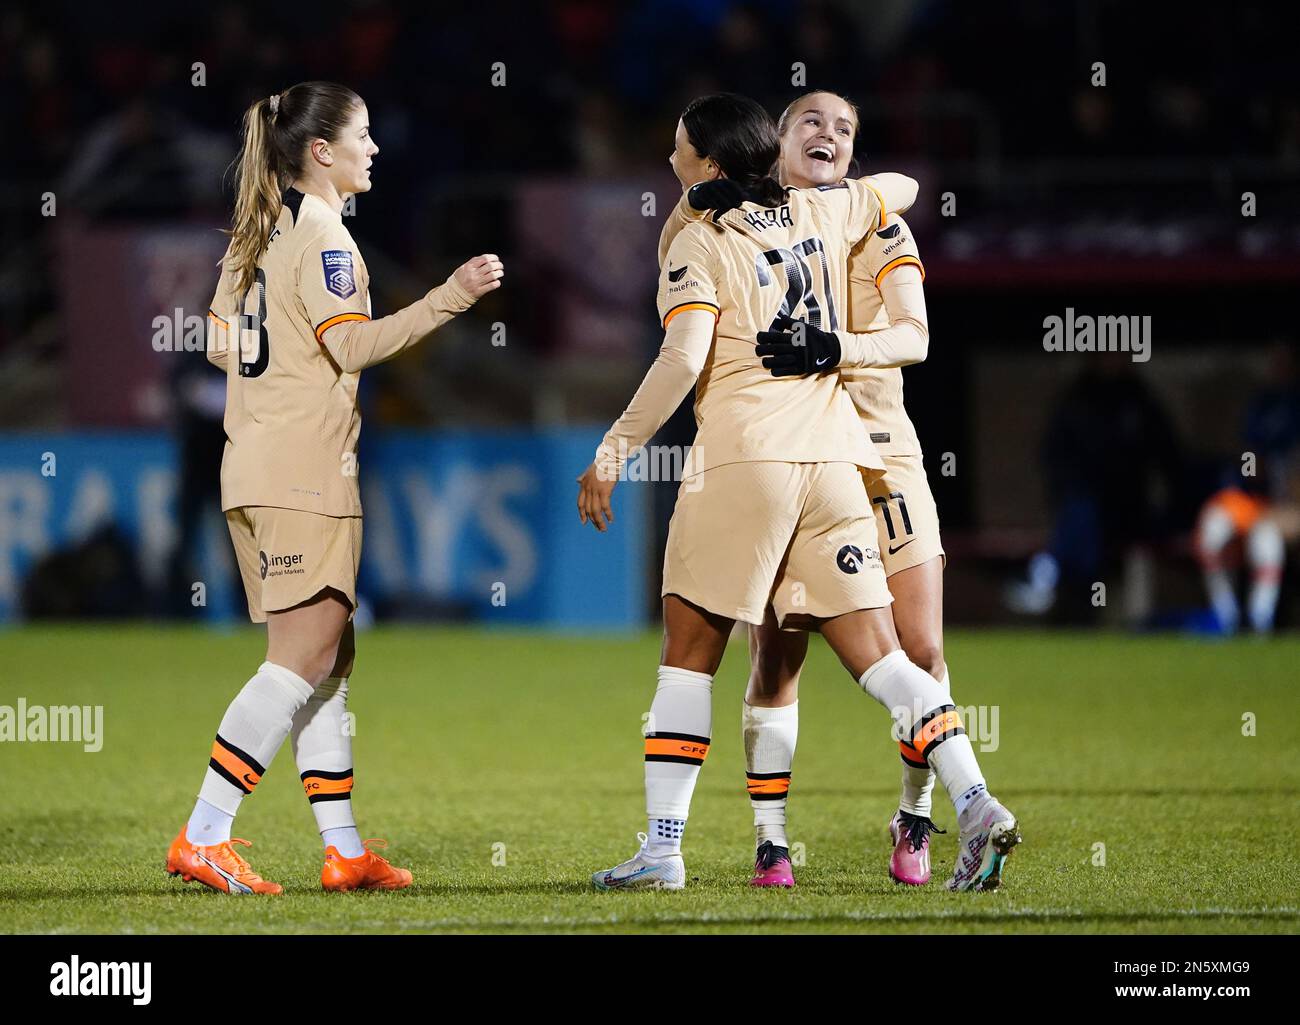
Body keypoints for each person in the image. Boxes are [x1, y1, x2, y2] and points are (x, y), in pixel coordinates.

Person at [577, 92, 1018, 893]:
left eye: (679, 143)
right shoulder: (826, 212)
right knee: (886, 661)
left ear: (707, 162)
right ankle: (976, 798)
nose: (669, 151)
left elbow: (682, 360)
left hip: (745, 460)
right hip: (835, 462)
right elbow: (898, 189)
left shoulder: (699, 239)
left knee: (688, 660)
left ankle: (664, 850)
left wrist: (613, 448)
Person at [166, 81, 503, 894]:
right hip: (304, 473)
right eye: (363, 135)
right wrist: (448, 297)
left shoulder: (256, 231)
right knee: (301, 657)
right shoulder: (323, 236)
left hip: (251, 465)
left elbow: (215, 342)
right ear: (321, 151)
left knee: (326, 660)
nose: (375, 149)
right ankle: (204, 833)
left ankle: (344, 848)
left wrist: (275, 375)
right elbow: (352, 350)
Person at [656, 90, 947, 888]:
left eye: (846, 128)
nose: (830, 135)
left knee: (918, 650)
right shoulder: (731, 226)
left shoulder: (872, 220)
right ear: (773, 141)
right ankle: (771, 840)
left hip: (882, 460)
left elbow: (914, 334)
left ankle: (919, 814)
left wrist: (834, 347)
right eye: (812, 122)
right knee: (777, 660)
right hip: (803, 457)